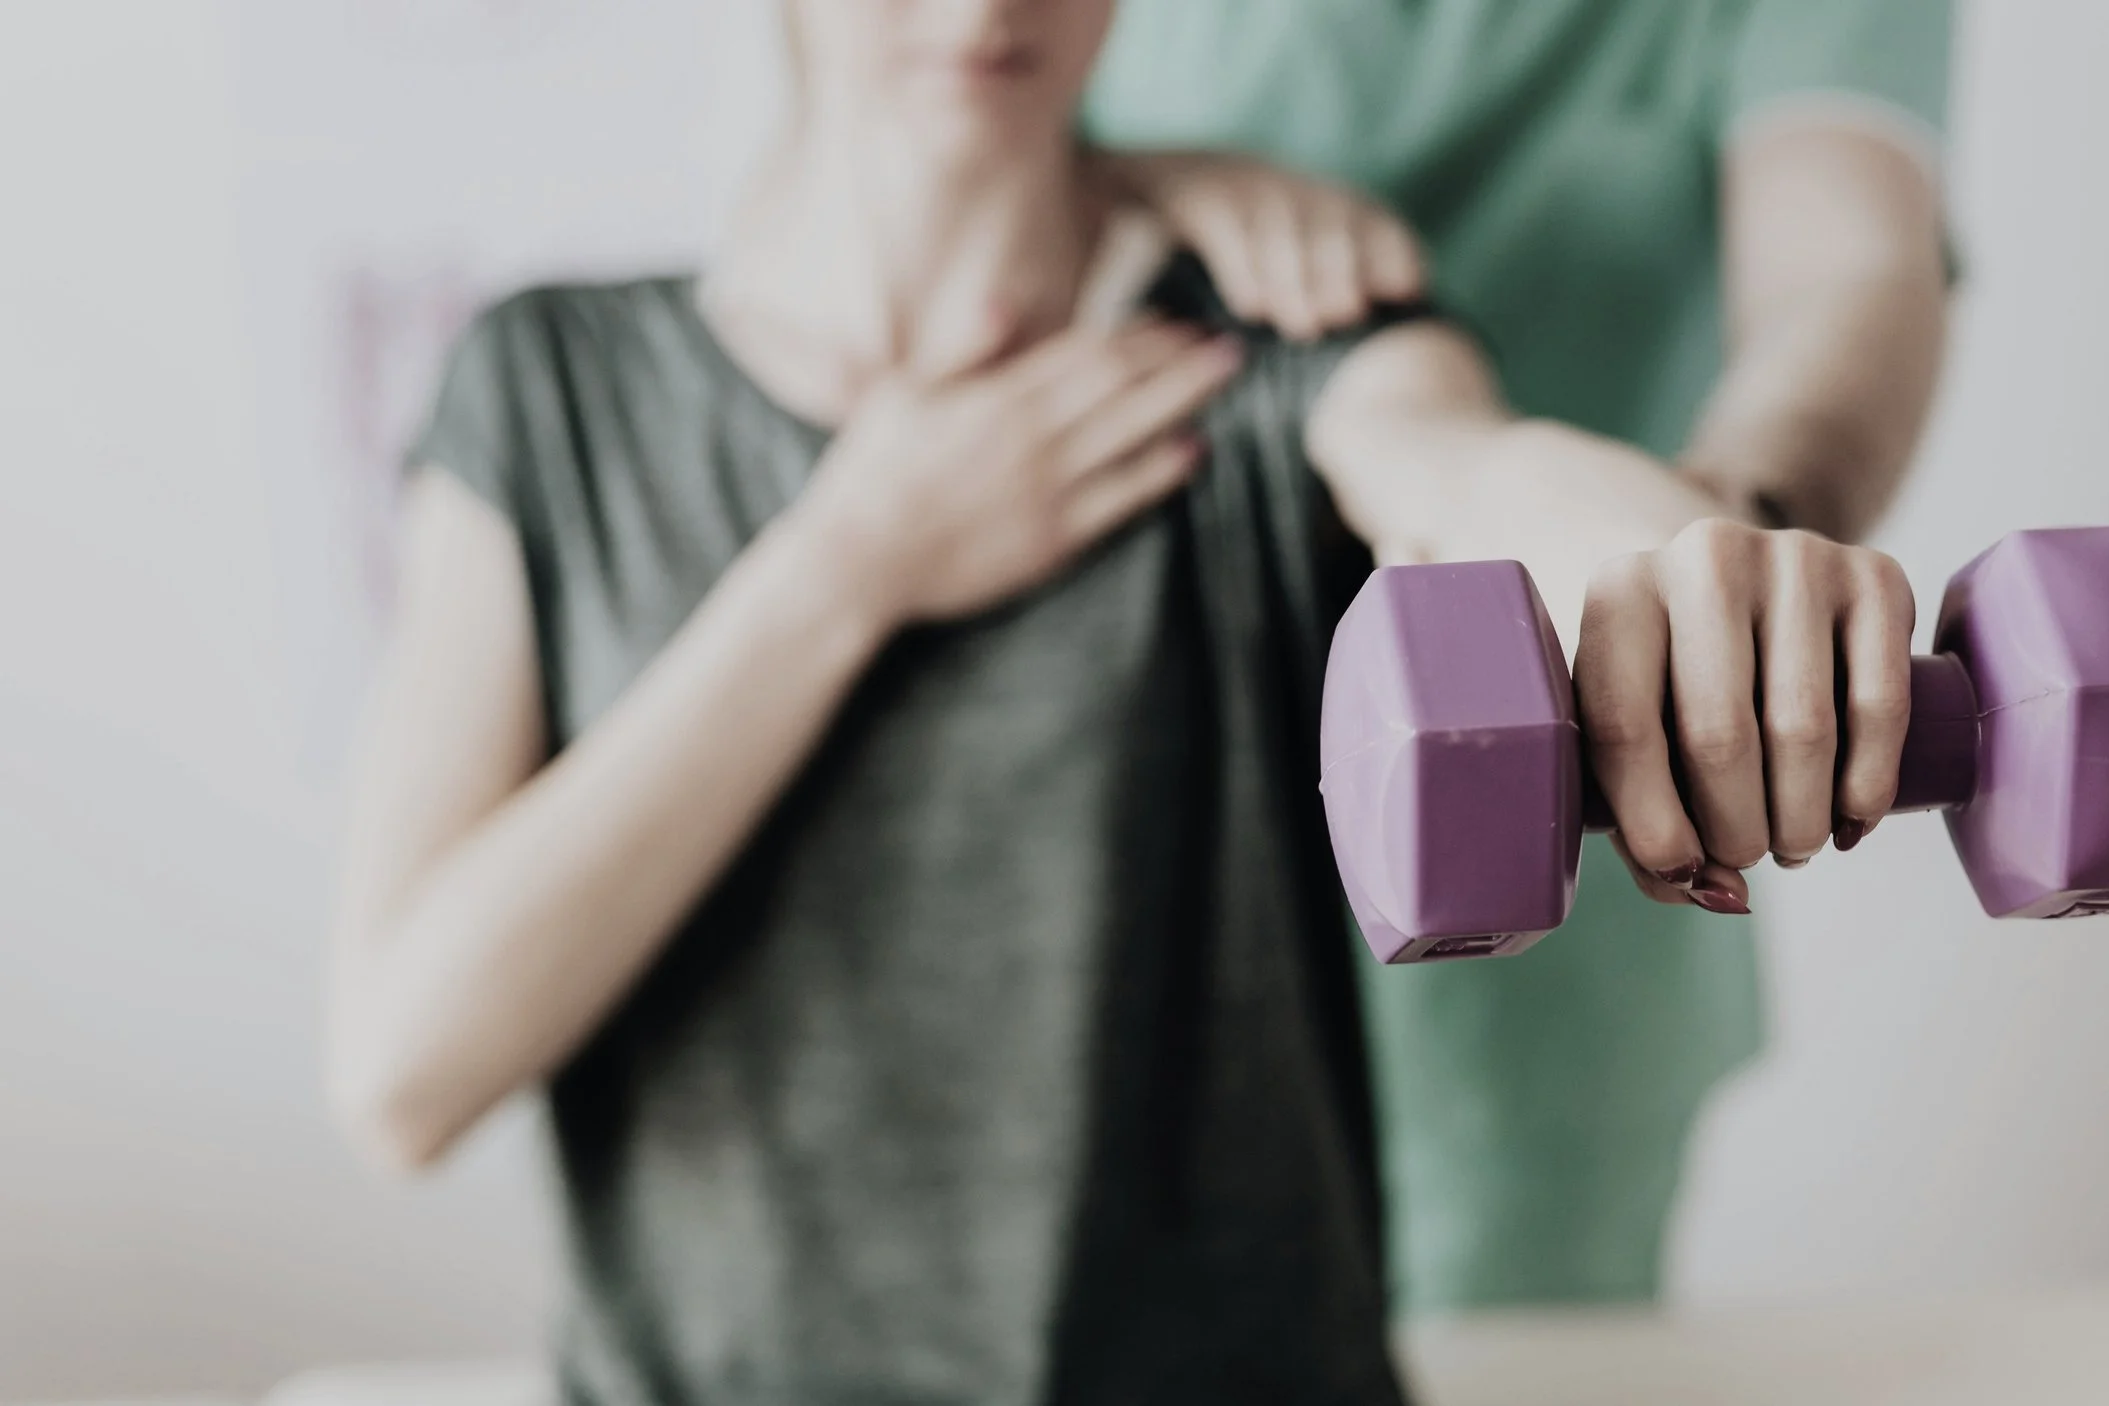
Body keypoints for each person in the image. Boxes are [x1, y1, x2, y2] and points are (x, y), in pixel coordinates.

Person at [325, 0, 1922, 1400]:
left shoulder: (1276, 351)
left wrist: (1694, 558)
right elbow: (404, 1070)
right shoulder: (551, 387)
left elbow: (1470, 469)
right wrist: (847, 569)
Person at [1085, 0, 1956, 1310]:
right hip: (1116, 855)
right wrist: (1133, 187)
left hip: (1568, 899)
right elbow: (888, 160)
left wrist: (1727, 543)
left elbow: (1852, 268)